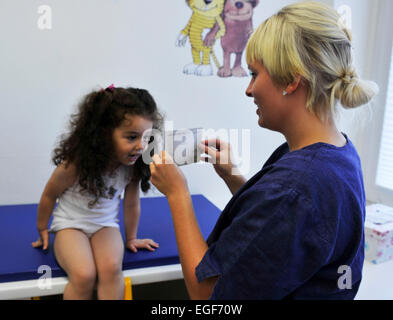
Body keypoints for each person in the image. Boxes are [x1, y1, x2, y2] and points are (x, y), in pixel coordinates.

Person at [149, 1, 379, 299]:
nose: (249, 89)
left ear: (292, 79)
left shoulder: (295, 186)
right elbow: (289, 230)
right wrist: (235, 180)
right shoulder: (339, 153)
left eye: (254, 74)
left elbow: (207, 295)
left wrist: (177, 193)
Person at [32, 85, 162, 300]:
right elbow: (49, 195)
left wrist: (131, 238)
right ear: (104, 134)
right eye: (131, 137)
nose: (140, 146)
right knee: (84, 275)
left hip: (104, 226)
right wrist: (42, 228)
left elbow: (131, 204)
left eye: (146, 138)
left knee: (112, 270)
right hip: (70, 226)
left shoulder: (132, 168)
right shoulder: (75, 165)